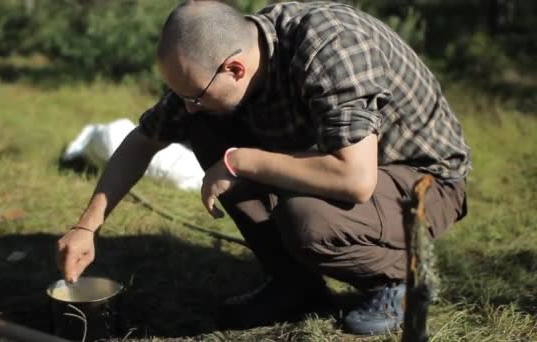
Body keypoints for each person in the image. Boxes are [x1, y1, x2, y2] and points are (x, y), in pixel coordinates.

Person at [56, 0, 471, 335]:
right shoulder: (221, 65)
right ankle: (295, 284)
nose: (184, 106)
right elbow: (145, 138)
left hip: (423, 183)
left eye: (193, 95)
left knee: (308, 220)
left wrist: (241, 161)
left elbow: (355, 179)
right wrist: (87, 226)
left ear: (234, 69)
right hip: (348, 169)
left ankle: (398, 281)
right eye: (179, 94)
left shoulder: (331, 47)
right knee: (204, 126)